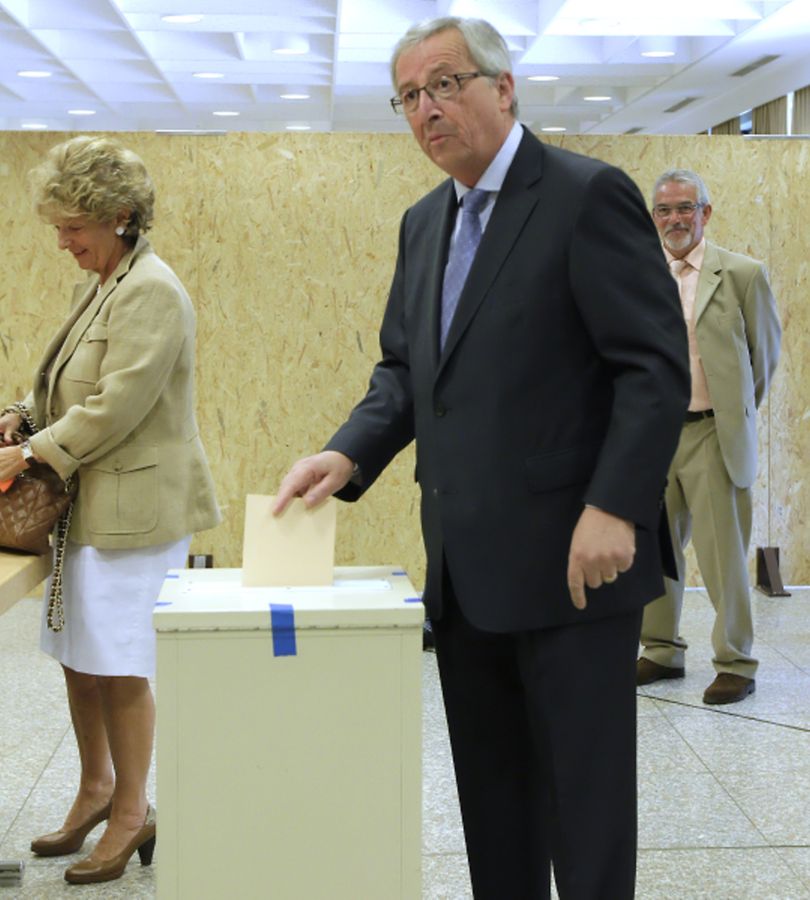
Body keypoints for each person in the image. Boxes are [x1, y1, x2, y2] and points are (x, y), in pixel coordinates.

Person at [274, 17, 690, 899]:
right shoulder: (425, 223)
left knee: (585, 817)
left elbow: (652, 368)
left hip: (576, 568)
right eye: (408, 96)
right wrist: (346, 453)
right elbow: (406, 371)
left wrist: (617, 505)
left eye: (445, 83)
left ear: (504, 88)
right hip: (466, 574)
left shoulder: (585, 195)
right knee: (496, 814)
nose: (426, 109)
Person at [0, 136, 220, 885]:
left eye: (73, 227)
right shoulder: (101, 283)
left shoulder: (152, 290)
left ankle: (132, 812)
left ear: (119, 216)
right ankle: (96, 788)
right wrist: (22, 415)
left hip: (135, 514)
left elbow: (117, 404)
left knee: (120, 667)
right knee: (78, 658)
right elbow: (68, 384)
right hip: (88, 504)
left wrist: (30, 455)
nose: (63, 242)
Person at [637, 169, 781, 705]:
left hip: (711, 434)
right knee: (656, 551)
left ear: (705, 212)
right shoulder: (639, 273)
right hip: (653, 436)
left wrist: (729, 417)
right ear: (654, 218)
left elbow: (763, 359)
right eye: (664, 210)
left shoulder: (742, 274)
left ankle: (735, 662)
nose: (675, 219)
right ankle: (660, 650)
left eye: (685, 208)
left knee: (722, 557)